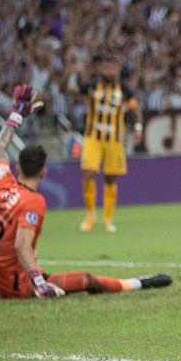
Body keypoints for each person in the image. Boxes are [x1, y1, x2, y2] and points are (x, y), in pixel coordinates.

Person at [0, 84, 171, 300]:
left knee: (19, 267)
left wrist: (16, 116)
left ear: (17, 168)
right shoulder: (34, 202)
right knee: (86, 279)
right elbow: (21, 245)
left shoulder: (4, 184)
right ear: (43, 173)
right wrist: (39, 284)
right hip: (18, 286)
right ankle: (138, 282)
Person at [66, 52, 144, 233]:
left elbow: (134, 109)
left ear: (117, 70)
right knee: (88, 174)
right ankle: (90, 215)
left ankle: (108, 220)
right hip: (93, 138)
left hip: (114, 141)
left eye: (112, 67)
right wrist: (69, 74)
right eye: (105, 67)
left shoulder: (124, 91)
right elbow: (66, 90)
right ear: (100, 69)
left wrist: (138, 127)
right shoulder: (92, 87)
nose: (109, 70)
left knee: (111, 178)